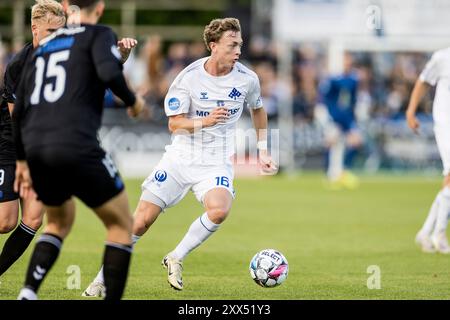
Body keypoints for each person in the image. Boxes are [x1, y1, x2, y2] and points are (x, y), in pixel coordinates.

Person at [82, 17, 277, 297]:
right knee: (139, 222)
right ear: (213, 46)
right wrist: (205, 121)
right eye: (232, 45)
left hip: (215, 162)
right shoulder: (189, 77)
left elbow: (258, 109)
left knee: (220, 210)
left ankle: (176, 256)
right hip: (180, 159)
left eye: (240, 45)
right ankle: (100, 279)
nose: (238, 51)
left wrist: (262, 149)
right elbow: (174, 124)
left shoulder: (247, 79)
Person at [13, 0, 145, 300]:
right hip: (75, 143)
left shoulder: (44, 46)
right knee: (121, 225)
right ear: (99, 7)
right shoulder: (98, 34)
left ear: (68, 7)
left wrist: (22, 159)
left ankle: (28, 293)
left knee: (58, 221)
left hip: (37, 149)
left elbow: (19, 108)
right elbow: (109, 73)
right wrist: (134, 101)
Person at [0, 0, 66, 279]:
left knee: (34, 219)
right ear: (34, 28)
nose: (56, 37)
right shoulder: (18, 65)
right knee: (5, 222)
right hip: (10, 145)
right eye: (51, 31)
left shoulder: (64, 61)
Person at [406, 48, 450, 254]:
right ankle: (439, 234)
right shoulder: (443, 57)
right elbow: (423, 81)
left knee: (448, 182)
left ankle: (426, 232)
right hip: (445, 124)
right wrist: (411, 110)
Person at [318, 52, 363, 189]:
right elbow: (324, 98)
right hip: (333, 116)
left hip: (347, 116)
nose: (347, 63)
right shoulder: (332, 78)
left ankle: (342, 171)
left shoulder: (353, 79)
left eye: (348, 60)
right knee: (334, 143)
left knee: (355, 142)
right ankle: (332, 174)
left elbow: (353, 99)